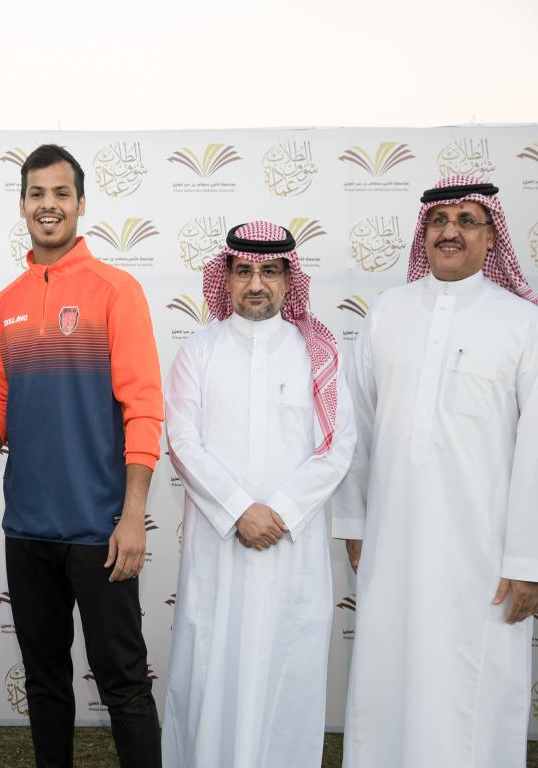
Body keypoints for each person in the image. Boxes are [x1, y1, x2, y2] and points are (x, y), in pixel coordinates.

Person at [0, 144, 164, 767]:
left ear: (80, 203)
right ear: (22, 204)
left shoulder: (117, 290)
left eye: (60, 194)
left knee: (124, 683)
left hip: (99, 529)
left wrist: (132, 516)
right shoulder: (6, 302)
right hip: (26, 528)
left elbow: (143, 408)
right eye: (36, 194)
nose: (47, 205)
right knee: (45, 684)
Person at [334, 176, 538, 767]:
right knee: (387, 674)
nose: (450, 231)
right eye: (438, 220)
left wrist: (527, 561)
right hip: (392, 541)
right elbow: (357, 425)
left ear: (491, 236)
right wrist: (355, 522)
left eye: (467, 220)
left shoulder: (522, 322)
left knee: (471, 685)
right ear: (423, 233)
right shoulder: (388, 312)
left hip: (484, 554)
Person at [161, 221, 356, 768]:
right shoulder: (198, 350)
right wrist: (240, 510)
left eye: (269, 271)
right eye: (244, 270)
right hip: (219, 547)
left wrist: (282, 512)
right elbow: (182, 442)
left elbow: (338, 447)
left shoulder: (318, 354)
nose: (255, 284)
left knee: (286, 675)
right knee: (210, 669)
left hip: (291, 550)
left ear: (289, 279)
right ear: (225, 276)